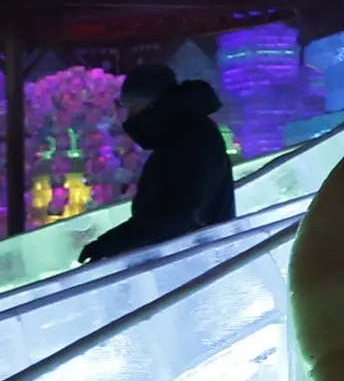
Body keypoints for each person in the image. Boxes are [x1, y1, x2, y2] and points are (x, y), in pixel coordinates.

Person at [76, 65, 237, 262]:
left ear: (148, 105)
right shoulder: (187, 135)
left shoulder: (188, 139)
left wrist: (111, 244)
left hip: (192, 263)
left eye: (129, 106)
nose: (128, 117)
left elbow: (175, 214)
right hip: (195, 259)